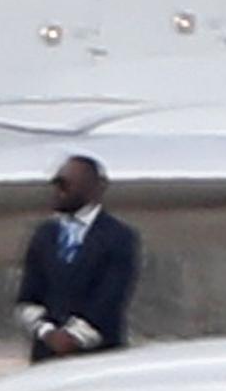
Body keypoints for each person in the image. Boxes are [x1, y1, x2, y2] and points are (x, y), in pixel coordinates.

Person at [16, 155, 140, 363]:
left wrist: (75, 337)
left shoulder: (119, 237)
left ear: (94, 188)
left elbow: (111, 297)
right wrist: (47, 332)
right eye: (56, 185)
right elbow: (28, 295)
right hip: (46, 355)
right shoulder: (45, 234)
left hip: (99, 355)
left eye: (65, 185)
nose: (57, 192)